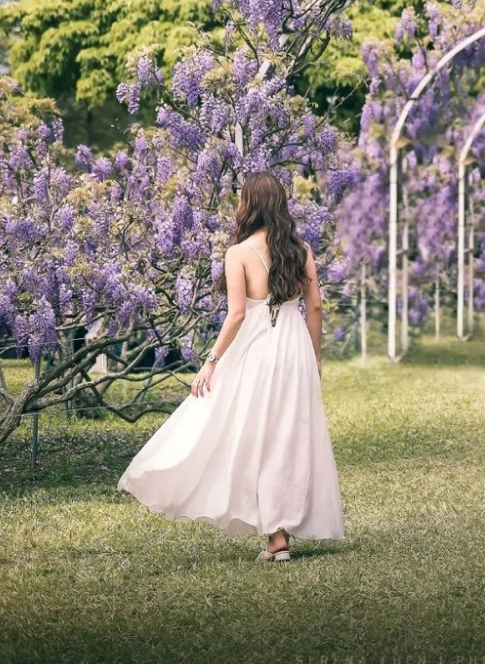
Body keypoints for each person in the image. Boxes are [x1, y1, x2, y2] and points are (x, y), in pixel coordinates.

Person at [117, 171, 345, 561]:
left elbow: (237, 314)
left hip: (258, 350)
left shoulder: (238, 253)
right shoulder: (301, 249)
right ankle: (280, 531)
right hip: (295, 349)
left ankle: (276, 537)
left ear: (248, 205)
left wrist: (211, 361)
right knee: (291, 437)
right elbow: (316, 307)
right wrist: (315, 357)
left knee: (256, 436)